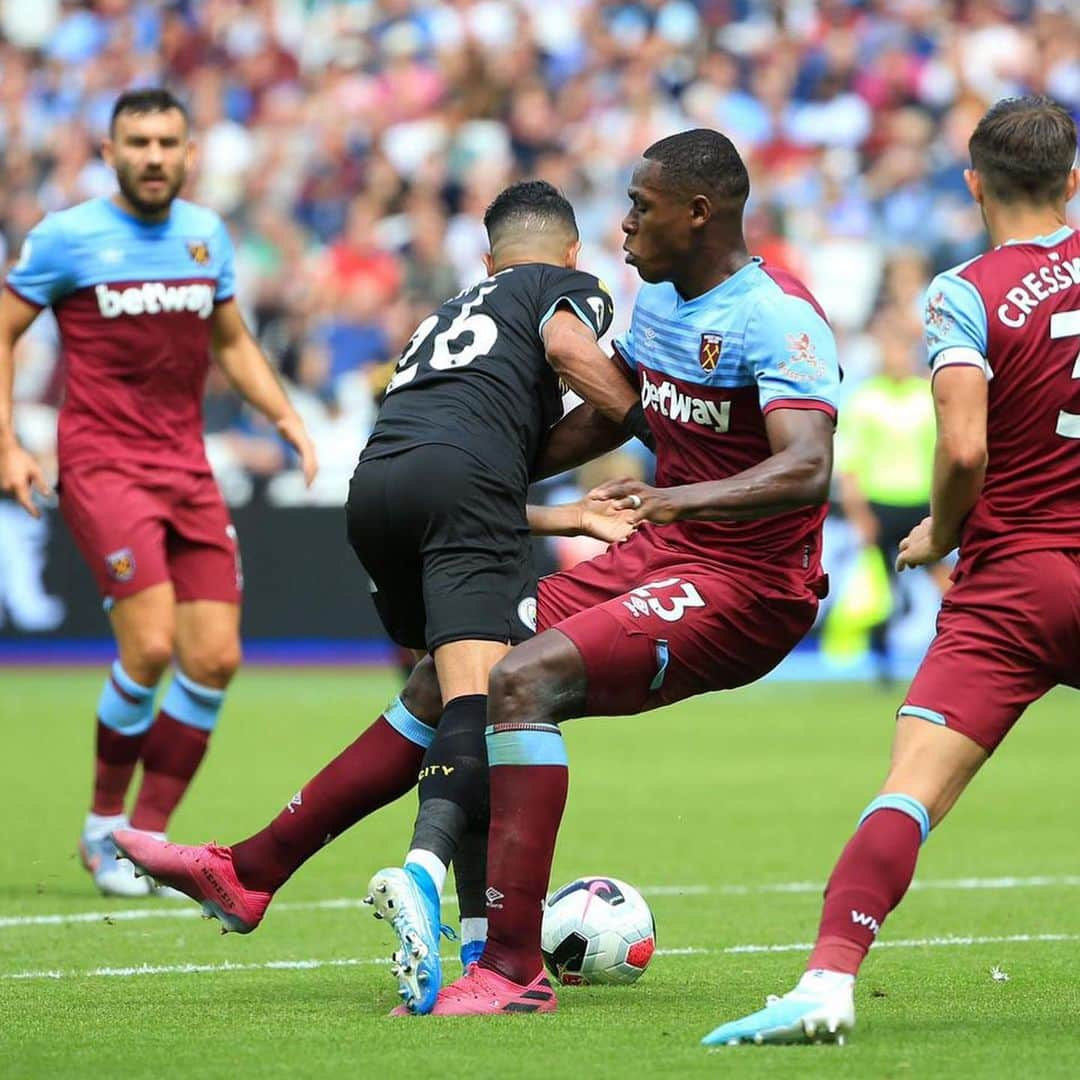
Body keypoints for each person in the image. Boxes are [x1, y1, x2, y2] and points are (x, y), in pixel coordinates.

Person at [115, 129, 841, 1017]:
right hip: (663, 554)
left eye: (641, 209)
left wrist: (677, 503)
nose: (623, 227)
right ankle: (250, 872)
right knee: (442, 675)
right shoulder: (656, 309)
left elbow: (807, 467)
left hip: (750, 585)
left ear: (700, 213)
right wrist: (488, 460)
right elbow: (612, 422)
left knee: (518, 679)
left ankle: (512, 968)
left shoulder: (778, 314)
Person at [119, 178, 650, 1007]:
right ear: (573, 254)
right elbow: (574, 357)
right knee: (489, 706)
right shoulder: (561, 289)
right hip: (460, 492)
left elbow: (457, 458)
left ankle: (254, 870)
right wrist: (668, 433)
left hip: (376, 492)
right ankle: (423, 870)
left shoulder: (448, 315)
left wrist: (569, 513)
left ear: (486, 257)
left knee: (442, 694)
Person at [705, 95, 1080, 1047]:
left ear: (973, 184)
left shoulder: (964, 292)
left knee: (911, 787)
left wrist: (940, 535)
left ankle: (829, 982)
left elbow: (962, 451)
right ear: (1072, 181)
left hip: (1018, 583)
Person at [0, 89, 317, 898]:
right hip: (103, 465)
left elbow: (232, 341)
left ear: (189, 153)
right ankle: (106, 826)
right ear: (109, 153)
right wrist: (7, 442)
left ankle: (146, 836)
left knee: (214, 658)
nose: (152, 154)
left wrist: (286, 416)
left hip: (186, 468)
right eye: (136, 141)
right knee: (148, 647)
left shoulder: (205, 236)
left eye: (166, 141)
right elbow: (4, 328)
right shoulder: (68, 237)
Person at [836, 311, 950, 682]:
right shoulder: (866, 399)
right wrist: (859, 516)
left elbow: (947, 455)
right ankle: (881, 658)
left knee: (947, 583)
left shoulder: (926, 396)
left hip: (921, 506)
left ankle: (960, 646)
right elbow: (850, 465)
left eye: (902, 350)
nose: (896, 358)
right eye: (890, 350)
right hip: (880, 505)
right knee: (883, 590)